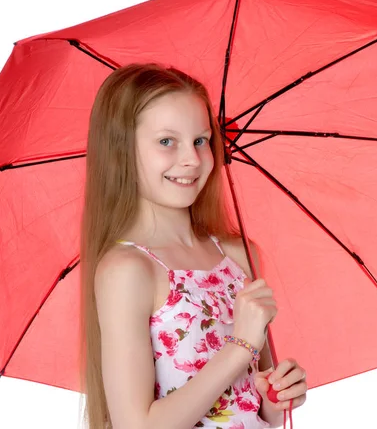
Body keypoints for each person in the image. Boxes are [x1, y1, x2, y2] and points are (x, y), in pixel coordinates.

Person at [79, 63, 308, 429]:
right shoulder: (129, 270)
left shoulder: (238, 256)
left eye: (201, 140)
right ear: (121, 150)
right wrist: (240, 347)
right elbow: (137, 426)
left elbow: (247, 407)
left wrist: (273, 397)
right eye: (167, 141)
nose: (191, 159)